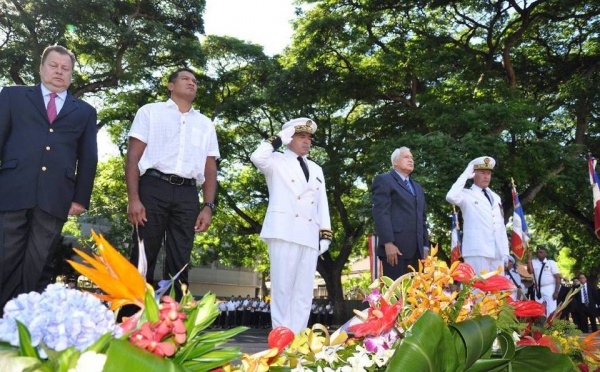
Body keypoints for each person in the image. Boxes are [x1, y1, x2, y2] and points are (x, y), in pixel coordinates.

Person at [0, 45, 98, 310]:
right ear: (41, 68)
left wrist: (80, 198)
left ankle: (26, 322)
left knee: (39, 260)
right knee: (5, 256)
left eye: (66, 68)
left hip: (56, 197)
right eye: (54, 65)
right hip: (11, 190)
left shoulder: (85, 111)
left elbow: (88, 157)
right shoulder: (12, 96)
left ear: (71, 75)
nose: (59, 71)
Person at [125, 68, 219, 299]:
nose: (192, 83)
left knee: (180, 261)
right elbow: (133, 157)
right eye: (186, 79)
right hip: (153, 187)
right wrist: (133, 199)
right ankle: (130, 323)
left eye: (195, 81)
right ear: (170, 85)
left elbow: (210, 167)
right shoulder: (150, 112)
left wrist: (208, 206)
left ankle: (174, 323)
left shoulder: (205, 123)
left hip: (188, 193)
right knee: (142, 257)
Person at [250, 117, 332, 335]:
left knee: (304, 293)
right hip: (284, 231)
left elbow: (322, 202)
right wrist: (279, 138)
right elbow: (256, 156)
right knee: (283, 289)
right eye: (301, 136)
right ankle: (281, 340)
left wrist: (325, 233)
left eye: (309, 137)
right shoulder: (276, 160)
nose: (307, 141)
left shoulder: (316, 168)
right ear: (289, 138)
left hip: (309, 233)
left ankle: (297, 342)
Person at [372, 147, 429, 279]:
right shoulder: (384, 180)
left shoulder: (418, 187)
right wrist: (388, 243)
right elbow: (381, 212)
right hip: (396, 250)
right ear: (395, 162)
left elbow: (422, 218)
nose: (411, 160)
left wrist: (425, 246)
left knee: (415, 297)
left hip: (418, 252)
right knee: (397, 296)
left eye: (412, 158)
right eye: (406, 157)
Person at [446, 156, 509, 276]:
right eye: (482, 173)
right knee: (477, 292)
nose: (486, 176)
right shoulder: (466, 194)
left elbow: (500, 227)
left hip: (497, 252)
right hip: (477, 251)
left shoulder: (496, 197)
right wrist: (465, 174)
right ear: (473, 174)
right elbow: (450, 196)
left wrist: (505, 252)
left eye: (489, 173)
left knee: (498, 292)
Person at [526, 246, 561, 316]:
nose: (539, 253)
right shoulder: (533, 262)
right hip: (538, 288)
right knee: (539, 308)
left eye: (541, 252)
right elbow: (530, 271)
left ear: (545, 254)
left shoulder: (551, 262)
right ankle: (541, 325)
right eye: (537, 252)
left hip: (550, 287)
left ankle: (551, 325)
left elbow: (558, 277)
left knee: (551, 308)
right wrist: (529, 259)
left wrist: (556, 292)